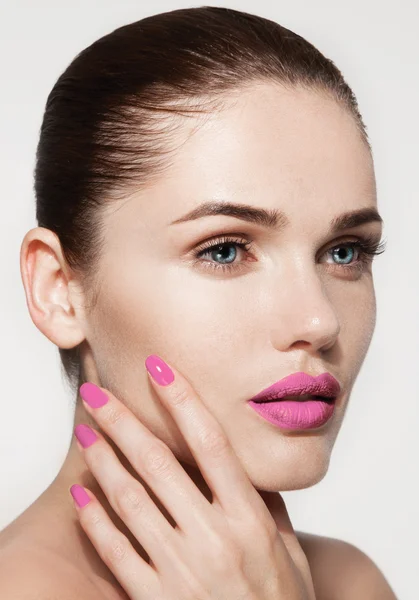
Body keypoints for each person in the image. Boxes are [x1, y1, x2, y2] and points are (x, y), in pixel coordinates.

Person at [0, 5, 397, 599]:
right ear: (59, 289)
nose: (318, 321)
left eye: (344, 252)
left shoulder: (347, 583)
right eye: (224, 250)